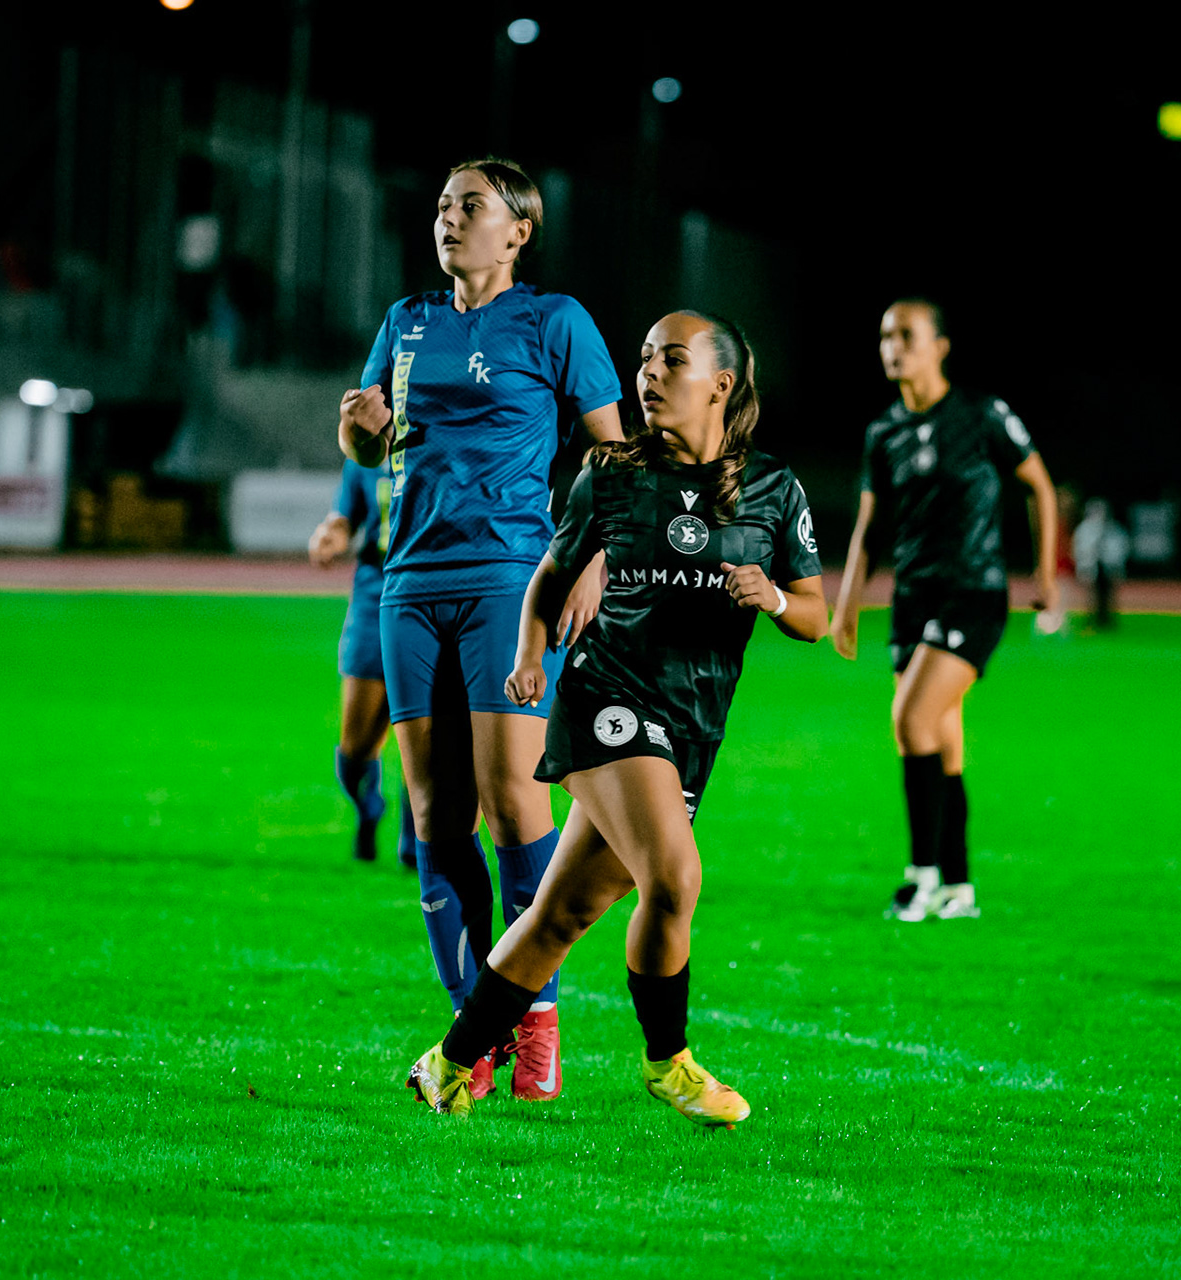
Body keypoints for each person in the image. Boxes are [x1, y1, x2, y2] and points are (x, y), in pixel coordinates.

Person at [404, 310, 827, 1126]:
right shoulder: (612, 472)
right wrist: (530, 655)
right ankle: (669, 1063)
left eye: (672, 360)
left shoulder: (774, 487)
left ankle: (446, 1065)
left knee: (560, 915)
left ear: (722, 384)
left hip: (693, 727)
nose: (649, 374)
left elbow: (813, 612)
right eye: (644, 359)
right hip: (607, 698)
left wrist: (770, 596)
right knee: (675, 877)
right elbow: (550, 578)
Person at [338, 157, 624, 1103]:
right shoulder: (404, 322)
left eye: (471, 207)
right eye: (442, 207)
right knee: (432, 817)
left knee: (513, 802)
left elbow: (613, 454)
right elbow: (370, 444)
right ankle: (476, 1027)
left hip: (511, 576)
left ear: (520, 228)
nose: (449, 220)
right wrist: (363, 427)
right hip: (408, 578)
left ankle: (532, 1014)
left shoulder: (556, 321)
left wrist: (590, 559)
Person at [830, 299, 1058, 922]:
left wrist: (1044, 575)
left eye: (906, 334)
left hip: (974, 594)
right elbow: (869, 527)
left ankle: (921, 874)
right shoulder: (885, 432)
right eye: (884, 336)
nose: (892, 346)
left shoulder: (983, 416)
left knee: (910, 720)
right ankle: (959, 886)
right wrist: (847, 606)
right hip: (913, 599)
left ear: (941, 346)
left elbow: (1037, 482)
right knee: (941, 742)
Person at [309, 457, 414, 865]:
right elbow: (343, 516)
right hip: (374, 596)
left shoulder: (446, 430)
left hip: (431, 594)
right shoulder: (366, 452)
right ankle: (368, 806)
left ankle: (417, 838)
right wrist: (330, 533)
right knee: (354, 750)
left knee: (424, 734)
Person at [1072, 496, 1130, 629]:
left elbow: (1120, 549)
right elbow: (1080, 550)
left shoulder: (1114, 529)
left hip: (1108, 567)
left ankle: (1108, 621)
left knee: (1109, 596)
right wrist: (1083, 567)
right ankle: (1091, 620)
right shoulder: (1084, 530)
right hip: (1091, 567)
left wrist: (1117, 567)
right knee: (1091, 596)